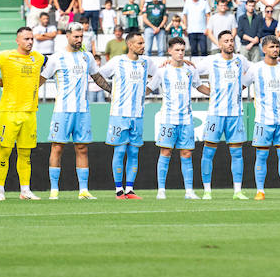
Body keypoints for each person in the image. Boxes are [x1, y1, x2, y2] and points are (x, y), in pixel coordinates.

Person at [44, 22, 109, 200]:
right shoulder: (56, 58)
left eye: (81, 37)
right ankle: (54, 190)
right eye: (76, 37)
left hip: (82, 111)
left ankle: (83, 190)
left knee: (82, 148)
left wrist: (112, 91)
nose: (79, 40)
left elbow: (97, 78)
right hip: (62, 111)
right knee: (57, 148)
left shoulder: (87, 57)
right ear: (67, 36)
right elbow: (41, 79)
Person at [100, 29, 156, 199]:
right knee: (120, 151)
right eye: (139, 43)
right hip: (119, 114)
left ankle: (130, 189)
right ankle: (118, 190)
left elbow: (159, 74)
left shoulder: (146, 62)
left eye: (143, 43)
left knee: (133, 152)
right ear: (129, 45)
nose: (143, 46)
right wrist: (110, 90)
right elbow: (98, 75)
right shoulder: (117, 62)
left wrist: (147, 90)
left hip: (138, 114)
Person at [149, 36, 207, 199]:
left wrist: (215, 92)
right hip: (168, 119)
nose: (180, 53)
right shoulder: (162, 71)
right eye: (177, 50)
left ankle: (189, 191)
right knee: (165, 152)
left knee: (187, 153)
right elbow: (150, 87)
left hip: (187, 119)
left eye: (182, 50)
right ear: (169, 51)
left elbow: (199, 86)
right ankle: (161, 190)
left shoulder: (190, 70)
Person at [200, 29, 253, 200]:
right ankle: (207, 190)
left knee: (237, 153)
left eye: (232, 40)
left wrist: (279, 61)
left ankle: (237, 191)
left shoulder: (241, 60)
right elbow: (190, 70)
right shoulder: (211, 61)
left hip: (235, 115)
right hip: (215, 114)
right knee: (208, 153)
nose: (230, 43)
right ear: (220, 44)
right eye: (226, 41)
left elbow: (256, 72)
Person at [0, 25, 45, 200]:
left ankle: (25, 190)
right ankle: (0, 190)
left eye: (32, 39)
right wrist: (0, 83)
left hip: (30, 112)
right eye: (26, 39)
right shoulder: (4, 56)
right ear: (17, 40)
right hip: (9, 111)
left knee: (25, 154)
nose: (30, 42)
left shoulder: (38, 58)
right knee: (5, 151)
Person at [250, 34, 280, 200]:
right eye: (272, 46)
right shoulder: (255, 69)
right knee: (262, 155)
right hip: (263, 121)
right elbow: (240, 84)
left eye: (277, 46)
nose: (276, 49)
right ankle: (260, 191)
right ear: (264, 49)